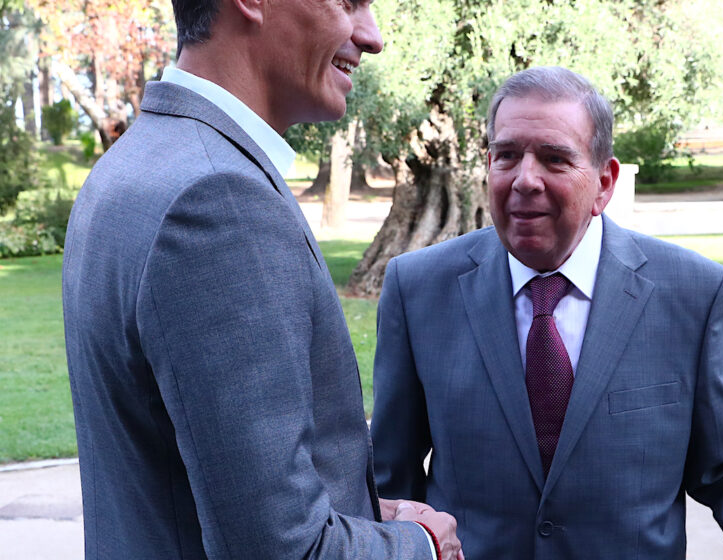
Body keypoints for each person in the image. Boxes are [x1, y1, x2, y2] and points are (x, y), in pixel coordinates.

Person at [62, 0, 460, 558]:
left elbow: (189, 484)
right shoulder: (219, 198)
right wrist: (420, 543)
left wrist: (369, 512)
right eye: (348, 3)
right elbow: (282, 549)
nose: (371, 37)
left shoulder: (134, 164)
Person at [370, 66, 723, 559]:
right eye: (507, 156)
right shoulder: (418, 289)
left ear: (604, 182)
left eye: (555, 159)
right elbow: (389, 475)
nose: (525, 180)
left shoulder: (695, 294)